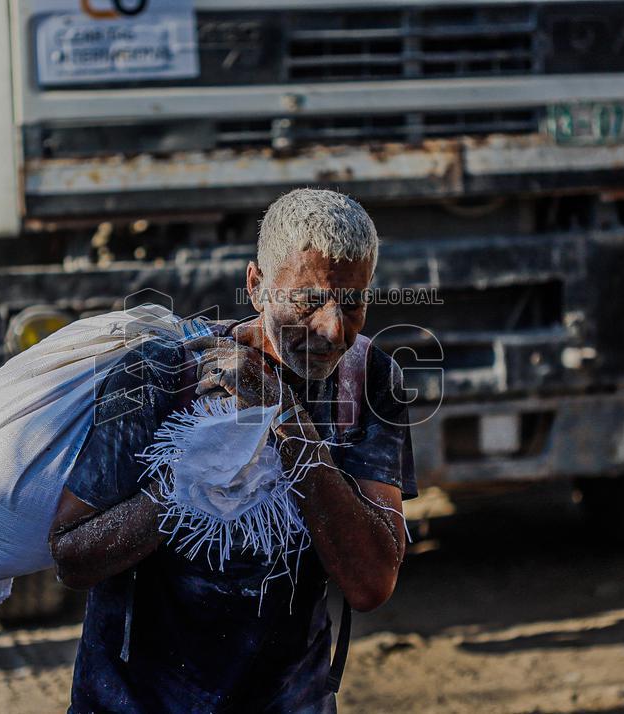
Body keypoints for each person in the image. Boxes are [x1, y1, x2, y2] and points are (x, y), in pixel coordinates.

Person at [50, 188, 417, 712]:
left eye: (353, 302)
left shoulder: (370, 381)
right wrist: (185, 488)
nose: (334, 329)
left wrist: (285, 420)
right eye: (309, 301)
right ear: (257, 287)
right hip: (136, 701)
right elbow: (71, 557)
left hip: (287, 700)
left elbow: (372, 582)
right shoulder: (161, 375)